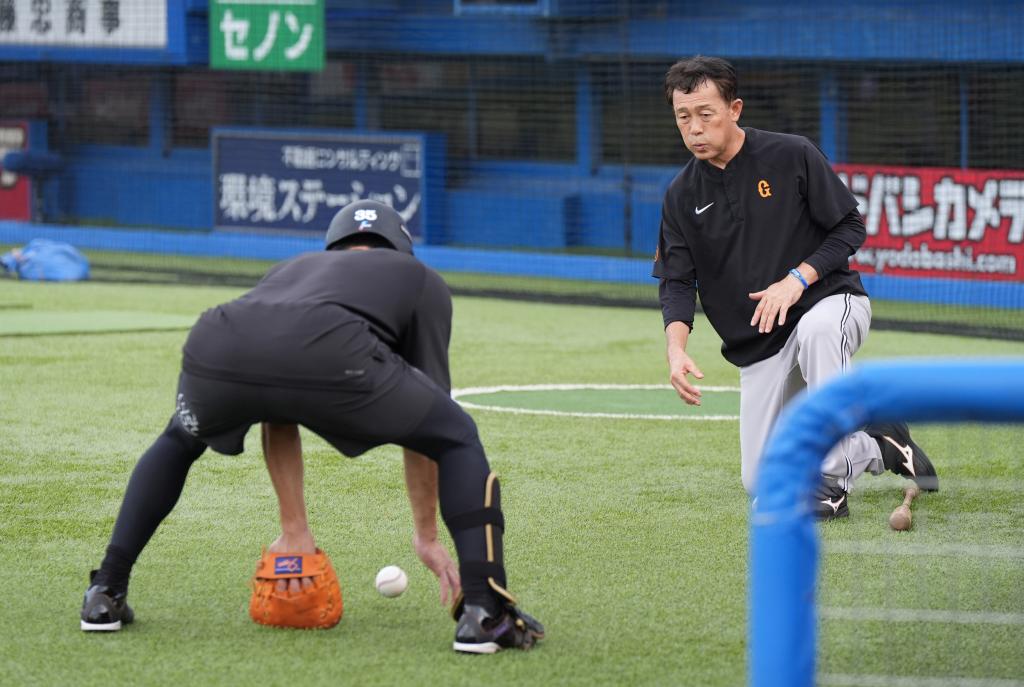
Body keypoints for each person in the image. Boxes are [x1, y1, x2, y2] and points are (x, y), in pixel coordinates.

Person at [80, 200, 544, 653]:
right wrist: (425, 537)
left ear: (333, 248)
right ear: (399, 248)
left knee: (178, 441)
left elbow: (276, 402)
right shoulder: (418, 277)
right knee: (456, 434)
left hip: (215, 339)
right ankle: (484, 611)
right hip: (332, 347)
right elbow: (430, 429)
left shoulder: (291, 268)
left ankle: (105, 591)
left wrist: (295, 530)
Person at [653, 56, 938, 520]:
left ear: (735, 109)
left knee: (817, 332)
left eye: (706, 114)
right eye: (684, 117)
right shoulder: (680, 194)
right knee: (759, 481)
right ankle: (876, 444)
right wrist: (675, 349)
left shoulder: (791, 154)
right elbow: (677, 281)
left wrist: (796, 279)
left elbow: (850, 227)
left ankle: (830, 482)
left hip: (829, 303)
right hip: (758, 345)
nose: (695, 128)